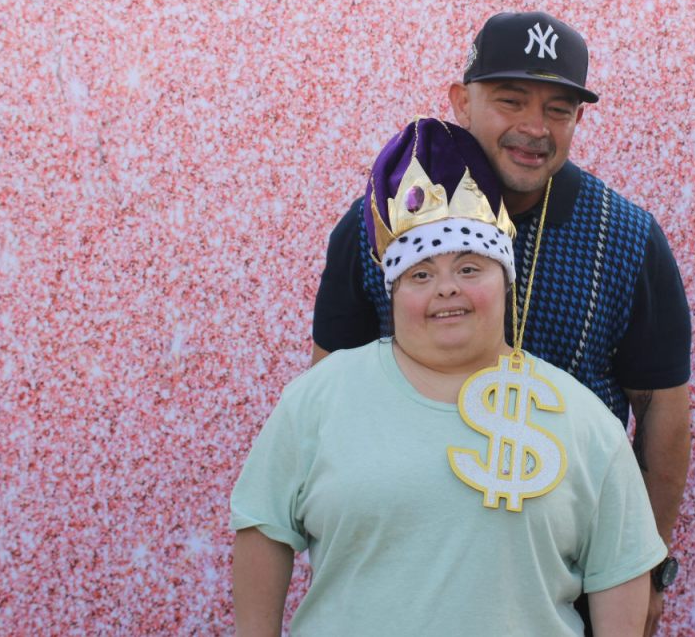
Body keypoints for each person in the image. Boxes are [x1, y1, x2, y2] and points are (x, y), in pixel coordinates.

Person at [312, 11, 691, 633]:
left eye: (558, 110)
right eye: (511, 101)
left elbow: (662, 410)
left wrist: (647, 567)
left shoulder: (628, 237)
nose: (534, 128)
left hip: (564, 580)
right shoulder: (377, 224)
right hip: (401, 569)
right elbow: (329, 394)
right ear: (462, 102)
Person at [231, 118, 666, 636]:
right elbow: (263, 529)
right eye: (420, 274)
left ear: (505, 279)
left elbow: (620, 572)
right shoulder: (320, 398)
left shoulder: (584, 421)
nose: (446, 289)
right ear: (394, 292)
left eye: (469, 268)